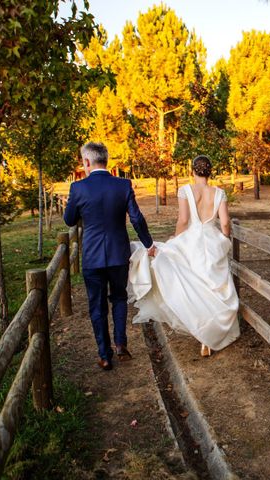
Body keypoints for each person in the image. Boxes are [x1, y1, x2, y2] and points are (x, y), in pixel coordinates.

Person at [128, 155, 240, 357]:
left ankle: (202, 335)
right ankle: (210, 336)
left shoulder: (185, 190)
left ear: (192, 171)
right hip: (212, 239)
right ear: (210, 171)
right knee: (213, 287)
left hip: (191, 240)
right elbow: (224, 223)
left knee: (194, 287)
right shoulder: (219, 193)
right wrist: (224, 239)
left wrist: (176, 240)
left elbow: (183, 219)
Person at [64, 142, 156, 371]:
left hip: (92, 257)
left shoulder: (78, 188)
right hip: (118, 253)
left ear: (86, 162)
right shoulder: (123, 185)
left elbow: (69, 219)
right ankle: (121, 344)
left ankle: (104, 356)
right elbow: (136, 218)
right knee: (119, 298)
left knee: (97, 306)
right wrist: (148, 243)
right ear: (106, 160)